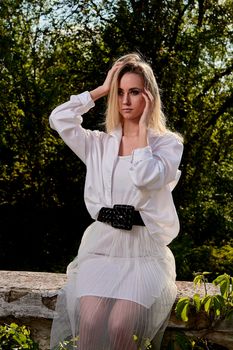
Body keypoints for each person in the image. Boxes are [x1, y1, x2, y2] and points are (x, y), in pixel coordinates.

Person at [49, 53, 183, 350]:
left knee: (121, 326)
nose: (125, 100)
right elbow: (58, 119)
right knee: (91, 323)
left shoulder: (168, 145)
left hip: (144, 253)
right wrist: (100, 89)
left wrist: (142, 132)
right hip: (101, 249)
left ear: (149, 96)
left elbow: (147, 177)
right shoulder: (99, 143)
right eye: (120, 92)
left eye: (134, 91)